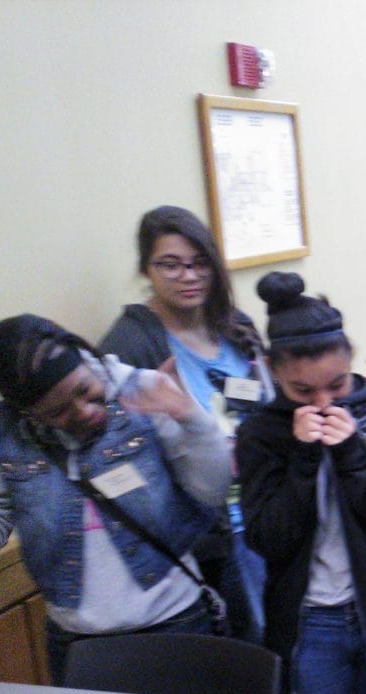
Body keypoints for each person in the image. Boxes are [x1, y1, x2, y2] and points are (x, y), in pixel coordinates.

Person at [0, 315, 232, 684]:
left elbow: (212, 492)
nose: (85, 411)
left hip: (178, 624)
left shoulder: (144, 390)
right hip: (77, 644)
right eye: (58, 412)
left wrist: (191, 418)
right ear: (26, 411)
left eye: (86, 390)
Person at [236, 273, 366, 694]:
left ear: (351, 362)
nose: (323, 403)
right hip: (309, 623)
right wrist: (303, 459)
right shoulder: (261, 434)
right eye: (303, 391)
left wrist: (352, 456)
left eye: (336, 386)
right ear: (272, 369)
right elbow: (269, 539)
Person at [101, 205, 271, 644]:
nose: (188, 276)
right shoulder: (131, 345)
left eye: (198, 263)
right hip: (208, 533)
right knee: (243, 650)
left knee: (286, 643)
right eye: (170, 264)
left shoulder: (236, 326)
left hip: (266, 511)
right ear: (146, 268)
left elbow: (267, 401)